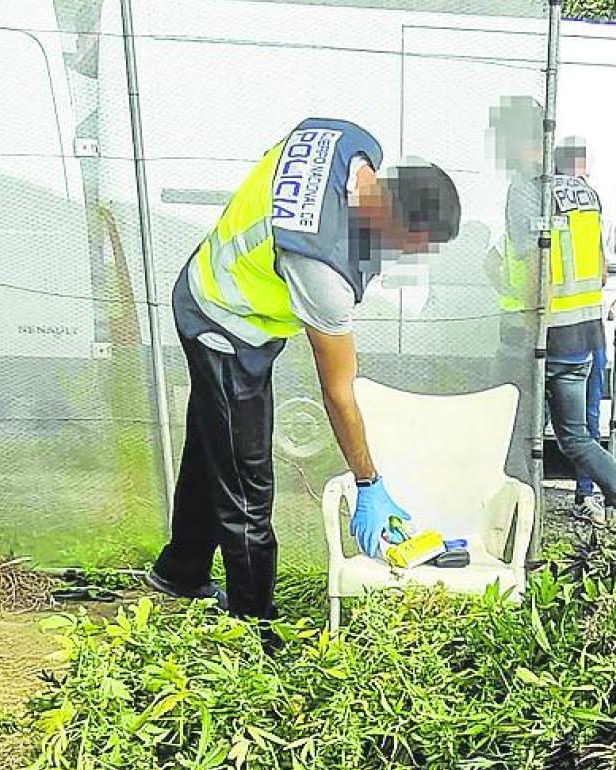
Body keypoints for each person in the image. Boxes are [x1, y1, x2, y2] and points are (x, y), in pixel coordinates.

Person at [146, 118, 461, 622]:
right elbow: (338, 391)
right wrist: (368, 484)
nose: (405, 257)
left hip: (214, 278)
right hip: (224, 320)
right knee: (248, 485)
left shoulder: (349, 141)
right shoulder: (321, 269)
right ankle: (255, 626)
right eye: (410, 244)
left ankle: (181, 571)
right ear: (391, 214)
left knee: (214, 441)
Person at [485, 99, 616, 530]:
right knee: (575, 437)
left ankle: (517, 523)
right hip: (583, 338)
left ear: (515, 140)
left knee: (515, 435)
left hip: (539, 339)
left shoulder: (525, 189)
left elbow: (536, 264)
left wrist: (532, 322)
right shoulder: (581, 190)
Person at [552, 136, 616, 523]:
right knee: (582, 428)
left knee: (522, 428)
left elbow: (496, 261)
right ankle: (593, 497)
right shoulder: (596, 212)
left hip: (545, 335)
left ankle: (522, 500)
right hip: (587, 335)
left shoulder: (536, 204)